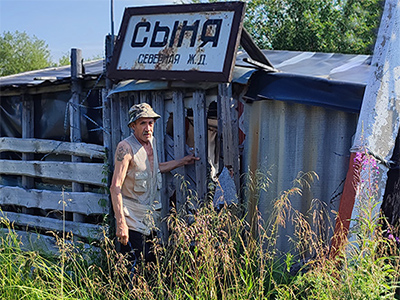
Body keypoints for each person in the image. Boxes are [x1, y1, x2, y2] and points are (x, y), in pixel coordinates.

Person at [110, 103, 199, 267]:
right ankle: (124, 293)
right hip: (132, 218)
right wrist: (121, 223)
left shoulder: (152, 142)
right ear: (133, 125)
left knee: (149, 263)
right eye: (142, 123)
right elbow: (115, 186)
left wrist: (182, 162)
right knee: (133, 265)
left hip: (150, 218)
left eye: (150, 123)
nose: (147, 128)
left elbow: (153, 169)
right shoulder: (125, 147)